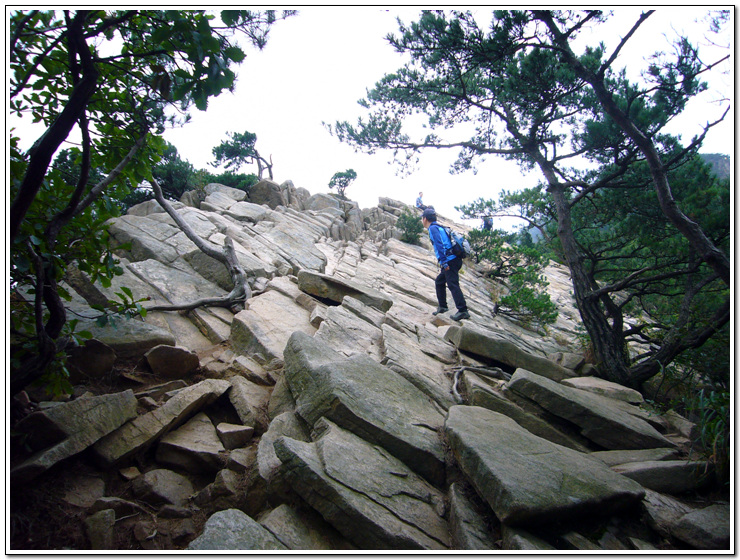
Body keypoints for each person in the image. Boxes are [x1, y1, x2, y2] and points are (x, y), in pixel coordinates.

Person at [421, 207, 470, 321]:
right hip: (453, 259)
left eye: (422, 218)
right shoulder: (439, 227)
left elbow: (439, 244)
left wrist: (444, 262)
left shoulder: (433, 228)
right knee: (439, 282)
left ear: (425, 219)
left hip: (450, 260)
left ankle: (463, 310)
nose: (422, 220)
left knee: (453, 284)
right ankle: (442, 306)